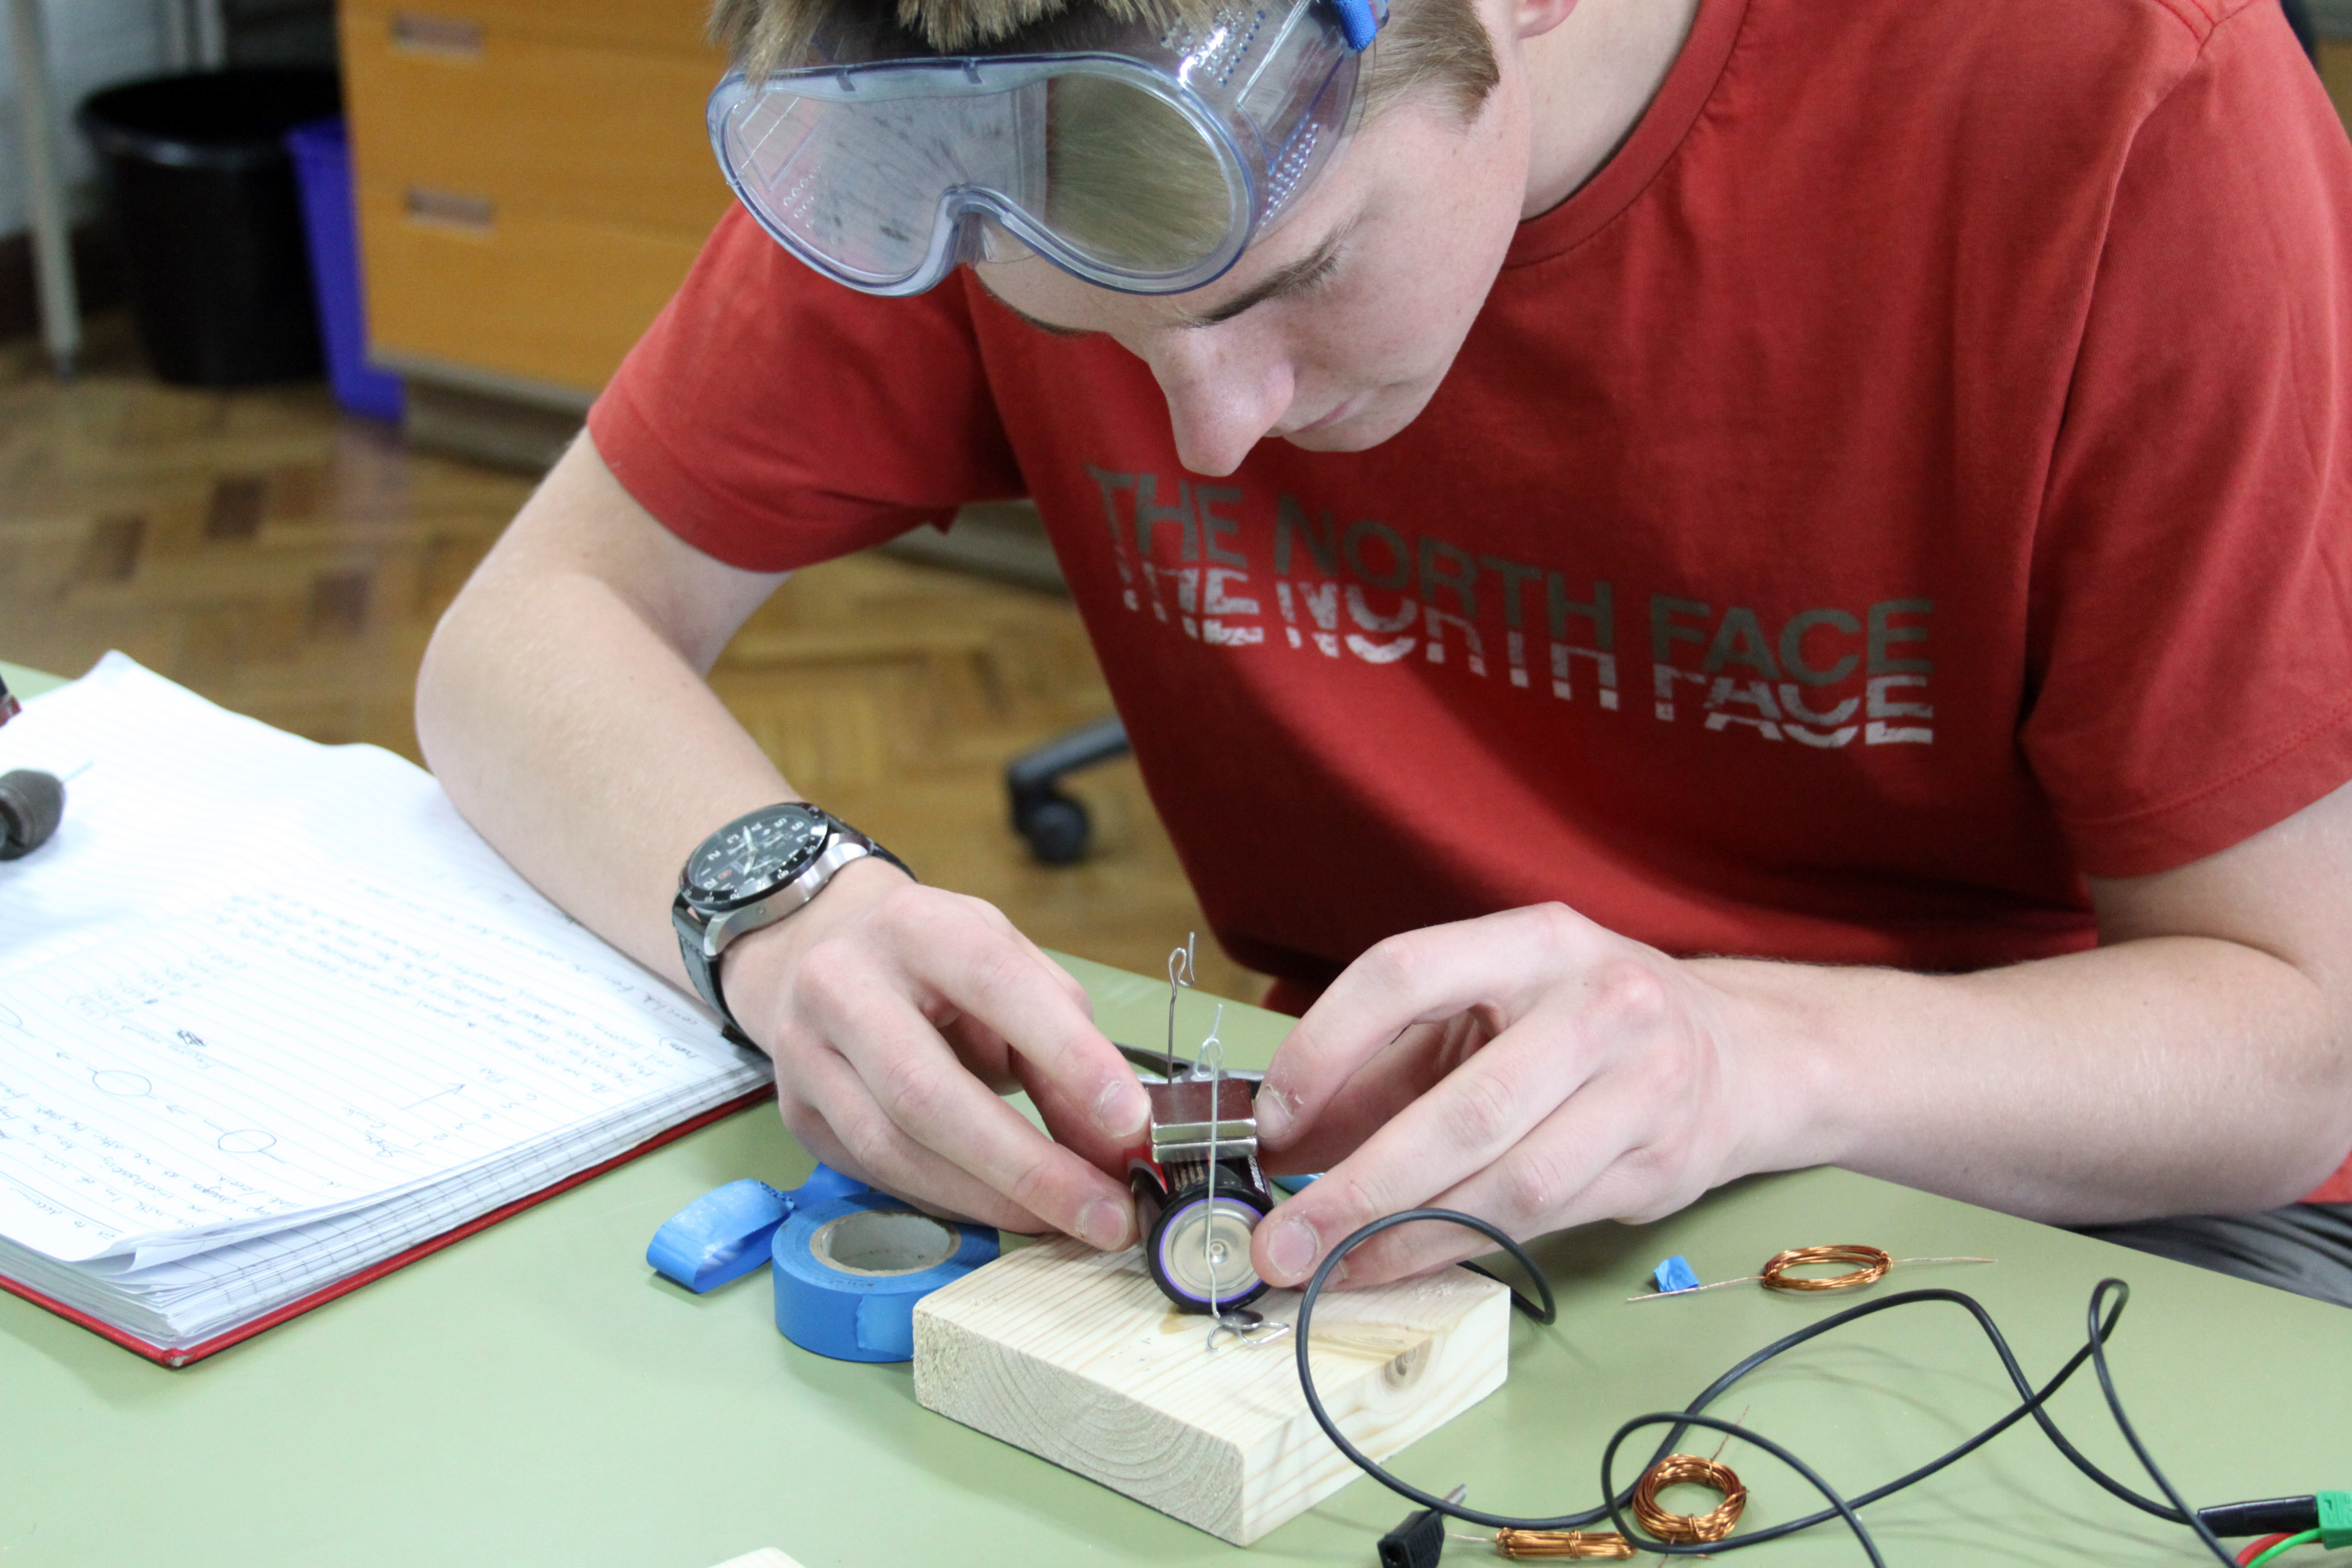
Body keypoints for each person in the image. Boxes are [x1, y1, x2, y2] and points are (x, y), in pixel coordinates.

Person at [416, 0, 2352, 1308]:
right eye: (1084, 334)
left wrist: (1752, 1055)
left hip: (2080, 1204)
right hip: (1389, 1203)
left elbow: (2303, 1041)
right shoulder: (1004, 82)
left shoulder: (2108, 96)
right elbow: (527, 629)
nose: (1207, 437)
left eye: (1296, 280)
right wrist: (789, 916)